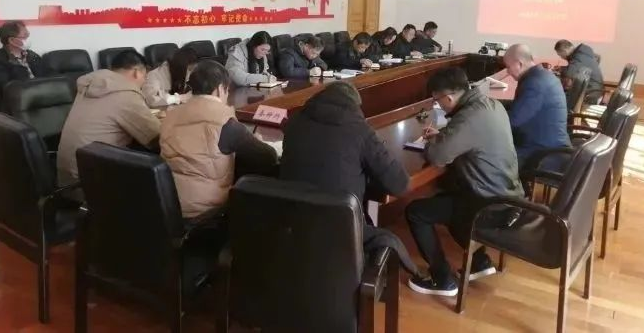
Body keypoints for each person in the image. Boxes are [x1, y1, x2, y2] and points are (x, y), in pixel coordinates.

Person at [406, 67, 523, 297]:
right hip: (509, 194)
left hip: (489, 204)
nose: (439, 105)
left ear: (448, 98)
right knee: (448, 201)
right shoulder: (490, 104)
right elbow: (469, 137)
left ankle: (442, 279)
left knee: (416, 212)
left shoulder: (468, 117)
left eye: (437, 101)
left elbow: (437, 157)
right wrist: (444, 136)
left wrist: (433, 143)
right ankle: (479, 262)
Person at [280, 82, 419, 275]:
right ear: (355, 105)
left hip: (292, 223)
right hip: (340, 227)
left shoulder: (294, 122)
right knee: (382, 236)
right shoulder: (359, 129)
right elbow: (399, 184)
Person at [160, 60, 278, 218]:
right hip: (206, 212)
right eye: (227, 90)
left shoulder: (170, 115)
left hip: (167, 205)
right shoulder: (224, 122)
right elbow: (268, 157)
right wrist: (255, 140)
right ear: (219, 89)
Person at [57, 50, 160, 189]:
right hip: (93, 185)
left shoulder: (91, 85)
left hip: (67, 179)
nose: (143, 82)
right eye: (145, 77)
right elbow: (156, 139)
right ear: (137, 72)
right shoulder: (126, 93)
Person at [504, 44, 571, 169]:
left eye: (508, 67)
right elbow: (521, 107)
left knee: (487, 160)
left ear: (519, 64)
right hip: (549, 145)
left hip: (542, 154)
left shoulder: (534, 84)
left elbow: (513, 120)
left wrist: (490, 118)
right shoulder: (542, 75)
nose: (508, 71)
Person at [0, 21, 44, 108]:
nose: (28, 39)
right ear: (12, 40)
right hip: (20, 103)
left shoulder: (32, 55)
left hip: (41, 97)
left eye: (28, 35)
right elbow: (8, 89)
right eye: (25, 36)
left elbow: (46, 74)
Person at [554, 39, 604, 104]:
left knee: (559, 100)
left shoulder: (579, 56)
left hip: (591, 93)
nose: (561, 57)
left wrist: (560, 69)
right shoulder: (583, 54)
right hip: (593, 90)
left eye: (560, 55)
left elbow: (569, 73)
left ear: (564, 51)